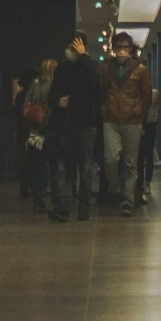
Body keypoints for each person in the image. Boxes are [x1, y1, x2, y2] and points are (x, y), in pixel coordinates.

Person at [49, 30, 104, 221]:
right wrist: (57, 102)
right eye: (69, 47)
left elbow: (96, 87)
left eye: (75, 47)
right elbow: (52, 94)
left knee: (86, 169)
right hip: (66, 124)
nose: (70, 51)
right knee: (64, 168)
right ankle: (63, 208)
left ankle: (83, 208)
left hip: (87, 124)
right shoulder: (61, 69)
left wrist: (84, 57)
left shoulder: (90, 67)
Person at [99, 32, 152, 215]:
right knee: (110, 158)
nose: (122, 50)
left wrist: (139, 115)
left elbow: (146, 97)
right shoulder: (106, 68)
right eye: (118, 46)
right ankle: (115, 189)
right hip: (111, 119)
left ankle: (128, 200)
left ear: (131, 49)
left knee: (131, 163)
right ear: (113, 48)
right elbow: (102, 91)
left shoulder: (140, 70)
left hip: (132, 121)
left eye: (125, 47)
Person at [21, 58, 55, 210]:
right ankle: (56, 200)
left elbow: (25, 109)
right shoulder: (56, 88)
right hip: (52, 131)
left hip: (35, 131)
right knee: (55, 166)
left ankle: (38, 201)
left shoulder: (34, 88)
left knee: (37, 166)